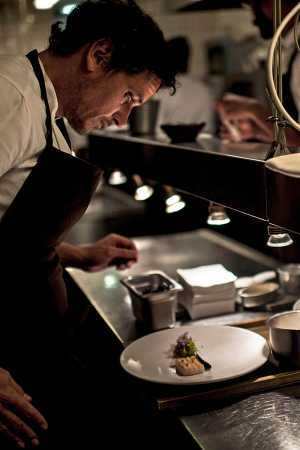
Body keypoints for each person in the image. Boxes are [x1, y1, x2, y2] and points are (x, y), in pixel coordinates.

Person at [0, 0, 177, 447]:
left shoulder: (49, 112)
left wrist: (79, 253)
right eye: (129, 98)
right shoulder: (9, 96)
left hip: (30, 342)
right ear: (98, 56)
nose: (122, 118)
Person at [216, 0, 300, 146]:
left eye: (256, 5)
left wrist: (255, 111)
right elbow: (296, 139)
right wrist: (257, 131)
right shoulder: (293, 49)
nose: (254, 19)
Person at [156, 36, 214, 134]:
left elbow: (156, 128)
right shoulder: (203, 89)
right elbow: (208, 129)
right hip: (197, 146)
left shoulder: (164, 89)